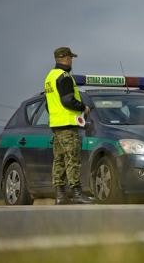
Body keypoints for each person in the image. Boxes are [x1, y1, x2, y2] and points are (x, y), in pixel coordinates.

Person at [44, 47, 93, 204]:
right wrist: (83, 107)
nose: (72, 60)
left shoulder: (50, 77)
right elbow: (67, 100)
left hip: (56, 125)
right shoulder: (64, 76)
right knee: (73, 159)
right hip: (68, 124)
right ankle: (77, 194)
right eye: (70, 58)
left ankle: (60, 196)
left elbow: (48, 104)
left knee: (58, 160)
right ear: (64, 58)